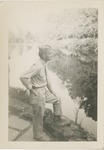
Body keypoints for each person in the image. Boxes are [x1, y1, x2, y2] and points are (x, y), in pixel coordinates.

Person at [20, 45, 69, 141]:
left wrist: (51, 91)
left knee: (57, 99)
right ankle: (37, 136)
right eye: (49, 53)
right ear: (43, 55)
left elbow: (47, 79)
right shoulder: (37, 66)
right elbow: (23, 77)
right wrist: (30, 88)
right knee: (38, 116)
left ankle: (57, 117)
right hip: (37, 93)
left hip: (44, 91)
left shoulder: (44, 64)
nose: (52, 55)